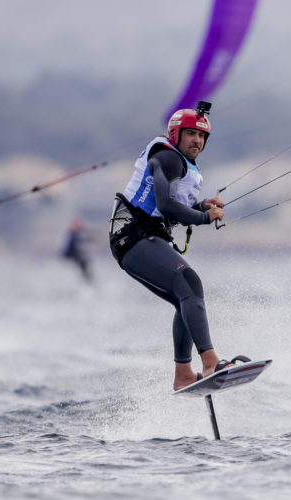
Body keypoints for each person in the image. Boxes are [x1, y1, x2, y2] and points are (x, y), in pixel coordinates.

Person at [109, 101, 243, 391]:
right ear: (175, 135)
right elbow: (166, 205)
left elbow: (171, 204)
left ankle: (183, 375)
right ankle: (210, 361)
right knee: (190, 283)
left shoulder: (177, 162)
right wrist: (206, 217)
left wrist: (200, 205)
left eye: (202, 136)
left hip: (141, 237)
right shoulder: (168, 159)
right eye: (191, 134)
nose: (197, 140)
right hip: (134, 237)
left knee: (185, 298)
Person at [61, 215, 93, 283]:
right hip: (69, 254)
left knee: (84, 259)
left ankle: (86, 278)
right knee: (82, 259)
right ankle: (86, 278)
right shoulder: (72, 234)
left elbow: (84, 241)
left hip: (74, 254)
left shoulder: (77, 234)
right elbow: (67, 248)